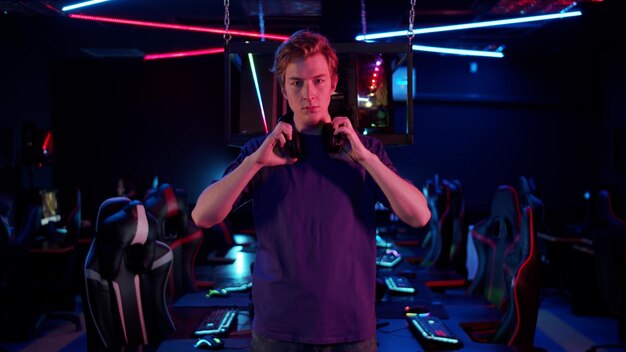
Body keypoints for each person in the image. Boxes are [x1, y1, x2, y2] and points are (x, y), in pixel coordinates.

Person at [192, 30, 431, 351]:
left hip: (351, 329)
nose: (309, 93)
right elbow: (203, 216)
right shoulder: (262, 151)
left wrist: (365, 158)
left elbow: (419, 216)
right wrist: (255, 162)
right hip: (278, 330)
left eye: (318, 81)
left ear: (333, 85)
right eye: (297, 83)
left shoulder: (365, 150)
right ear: (284, 89)